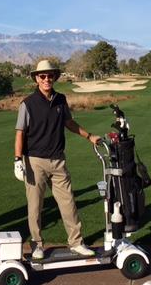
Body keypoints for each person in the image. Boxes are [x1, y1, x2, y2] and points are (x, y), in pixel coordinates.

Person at [14, 60, 101, 260]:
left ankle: (77, 243)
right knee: (35, 206)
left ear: (54, 77)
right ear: (36, 78)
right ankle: (37, 245)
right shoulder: (27, 103)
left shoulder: (60, 99)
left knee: (68, 203)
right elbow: (20, 133)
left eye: (50, 76)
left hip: (58, 160)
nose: (46, 79)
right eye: (42, 76)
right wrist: (18, 160)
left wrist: (89, 136)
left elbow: (69, 123)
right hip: (35, 161)